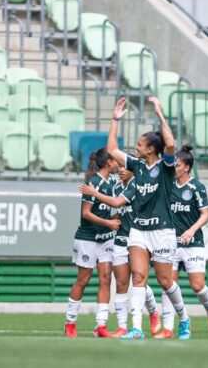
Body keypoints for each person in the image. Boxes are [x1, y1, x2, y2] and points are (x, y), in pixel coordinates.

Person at [106, 96, 191, 340]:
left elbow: (171, 144)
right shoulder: (137, 165)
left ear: (151, 148)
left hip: (162, 231)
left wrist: (160, 114)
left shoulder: (165, 166)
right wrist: (115, 119)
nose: (136, 147)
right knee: (139, 277)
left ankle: (184, 318)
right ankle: (136, 328)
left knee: (165, 281)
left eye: (140, 144)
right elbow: (112, 149)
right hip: (139, 231)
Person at [79, 164, 162, 338]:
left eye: (127, 167)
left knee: (139, 281)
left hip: (138, 240)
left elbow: (116, 203)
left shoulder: (137, 185)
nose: (122, 170)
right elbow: (119, 210)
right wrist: (110, 220)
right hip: (120, 240)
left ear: (134, 169)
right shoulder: (116, 187)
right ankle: (122, 327)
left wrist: (94, 192)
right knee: (121, 284)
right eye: (121, 167)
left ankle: (153, 312)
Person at [157, 144, 208, 339]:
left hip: (193, 244)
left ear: (186, 167)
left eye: (176, 165)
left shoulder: (196, 187)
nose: (173, 168)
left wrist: (192, 230)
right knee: (168, 284)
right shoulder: (168, 184)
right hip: (171, 244)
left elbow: (205, 214)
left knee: (197, 287)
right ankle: (169, 328)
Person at [64, 148, 121, 338]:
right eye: (116, 160)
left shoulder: (112, 182)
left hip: (105, 239)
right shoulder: (93, 183)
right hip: (87, 238)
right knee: (83, 279)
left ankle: (100, 326)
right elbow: (86, 214)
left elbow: (110, 208)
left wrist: (117, 218)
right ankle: (70, 322)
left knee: (106, 278)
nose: (118, 164)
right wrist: (109, 223)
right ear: (109, 162)